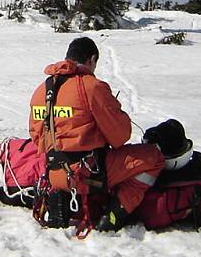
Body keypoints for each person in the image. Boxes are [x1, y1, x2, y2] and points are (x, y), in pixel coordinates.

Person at [29, 37, 164, 231]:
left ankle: (64, 197)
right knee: (153, 157)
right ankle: (114, 214)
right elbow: (121, 136)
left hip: (53, 173)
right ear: (91, 59)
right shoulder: (91, 87)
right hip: (86, 175)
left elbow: (36, 137)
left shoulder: (41, 90)